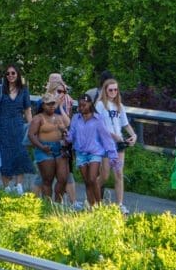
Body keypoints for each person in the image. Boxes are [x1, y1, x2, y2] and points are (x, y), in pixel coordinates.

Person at [66, 94, 119, 207]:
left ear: (90, 104)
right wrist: (66, 136)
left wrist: (112, 154)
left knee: (92, 178)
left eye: (84, 105)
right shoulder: (76, 118)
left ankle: (99, 205)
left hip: (95, 152)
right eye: (80, 106)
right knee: (87, 181)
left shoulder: (98, 118)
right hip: (80, 153)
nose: (81, 108)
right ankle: (91, 206)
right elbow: (71, 135)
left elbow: (106, 137)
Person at [0, 63, 35, 194]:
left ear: (18, 75)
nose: (10, 75)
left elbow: (27, 111)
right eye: (8, 73)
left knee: (19, 154)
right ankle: (6, 186)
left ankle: (19, 184)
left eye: (13, 73)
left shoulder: (24, 90)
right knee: (4, 156)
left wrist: (32, 128)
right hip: (3, 126)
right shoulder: (0, 90)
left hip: (18, 126)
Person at [96, 79, 138, 213]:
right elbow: (98, 126)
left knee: (119, 173)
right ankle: (91, 196)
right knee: (105, 175)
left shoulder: (119, 106)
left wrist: (133, 135)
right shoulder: (100, 105)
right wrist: (112, 135)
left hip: (119, 144)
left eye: (115, 89)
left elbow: (125, 124)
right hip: (106, 143)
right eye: (110, 90)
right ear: (105, 90)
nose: (113, 92)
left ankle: (119, 204)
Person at [45, 73, 82, 209]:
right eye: (57, 90)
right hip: (48, 143)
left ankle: (71, 203)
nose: (60, 93)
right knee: (44, 177)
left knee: (67, 173)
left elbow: (68, 122)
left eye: (62, 90)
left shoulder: (67, 100)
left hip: (64, 142)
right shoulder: (44, 102)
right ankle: (46, 204)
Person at [29, 92, 71, 201]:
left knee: (63, 178)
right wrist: (41, 147)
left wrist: (64, 133)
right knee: (47, 180)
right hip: (44, 149)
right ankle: (47, 205)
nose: (52, 106)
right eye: (49, 104)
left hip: (60, 148)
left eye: (53, 104)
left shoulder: (58, 117)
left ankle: (57, 204)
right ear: (43, 105)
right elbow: (31, 135)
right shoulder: (38, 118)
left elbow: (67, 128)